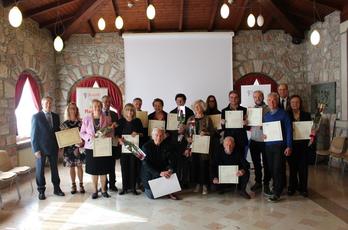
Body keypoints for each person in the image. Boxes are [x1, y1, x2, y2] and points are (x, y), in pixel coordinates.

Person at [31, 96, 65, 200]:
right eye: (46, 103)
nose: (48, 105)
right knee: (40, 170)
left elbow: (58, 132)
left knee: (55, 169)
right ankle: (41, 191)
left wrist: (60, 146)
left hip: (54, 147)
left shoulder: (56, 116)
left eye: (50, 103)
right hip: (40, 149)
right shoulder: (36, 117)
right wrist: (35, 149)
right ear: (42, 104)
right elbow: (33, 134)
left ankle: (57, 188)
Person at [80, 99, 113, 199]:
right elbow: (82, 133)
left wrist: (106, 137)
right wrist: (90, 138)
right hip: (91, 147)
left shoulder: (107, 118)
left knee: (103, 170)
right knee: (94, 170)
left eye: (99, 106)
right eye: (95, 106)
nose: (97, 108)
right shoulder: (86, 119)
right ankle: (95, 191)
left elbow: (111, 132)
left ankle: (103, 190)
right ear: (91, 108)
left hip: (103, 147)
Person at [263, 92, 292, 202]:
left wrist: (289, 146)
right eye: (270, 100)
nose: (272, 102)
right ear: (267, 102)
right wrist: (264, 135)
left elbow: (289, 131)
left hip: (280, 146)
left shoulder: (284, 114)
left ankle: (277, 192)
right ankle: (276, 187)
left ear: (277, 101)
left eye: (274, 100)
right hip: (268, 146)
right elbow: (265, 131)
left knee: (277, 168)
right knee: (271, 168)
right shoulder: (266, 116)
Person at [141, 128, 178, 200]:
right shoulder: (145, 147)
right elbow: (145, 164)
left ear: (164, 136)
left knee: (172, 170)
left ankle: (167, 190)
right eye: (156, 135)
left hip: (163, 171)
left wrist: (170, 169)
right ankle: (146, 187)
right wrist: (159, 173)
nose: (159, 137)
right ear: (152, 136)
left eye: (161, 135)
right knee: (152, 196)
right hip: (150, 174)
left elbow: (171, 160)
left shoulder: (167, 146)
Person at [116, 103, 144, 195]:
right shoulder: (120, 121)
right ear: (124, 111)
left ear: (134, 111)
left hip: (135, 148)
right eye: (127, 110)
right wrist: (119, 139)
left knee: (133, 168)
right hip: (124, 149)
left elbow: (143, 134)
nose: (130, 112)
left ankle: (133, 188)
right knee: (124, 168)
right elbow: (116, 135)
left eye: (131, 110)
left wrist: (137, 134)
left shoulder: (137, 121)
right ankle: (124, 188)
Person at [188, 100, 214, 195]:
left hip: (204, 146)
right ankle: (198, 184)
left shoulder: (207, 119)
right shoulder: (191, 119)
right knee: (195, 165)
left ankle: (205, 185)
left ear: (203, 107)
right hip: (193, 146)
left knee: (204, 165)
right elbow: (187, 132)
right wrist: (188, 138)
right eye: (195, 107)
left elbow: (212, 131)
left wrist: (206, 133)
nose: (197, 108)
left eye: (199, 106)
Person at [288, 95, 311, 197]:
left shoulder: (306, 115)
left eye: (297, 102)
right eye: (293, 102)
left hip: (303, 146)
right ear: (290, 104)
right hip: (291, 145)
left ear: (300, 103)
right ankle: (292, 187)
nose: (295, 104)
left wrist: (313, 132)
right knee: (292, 168)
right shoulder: (287, 114)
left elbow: (310, 129)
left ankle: (303, 188)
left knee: (303, 168)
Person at [248, 91, 271, 194]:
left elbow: (271, 123)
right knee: (256, 163)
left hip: (265, 140)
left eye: (259, 96)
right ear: (253, 98)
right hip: (253, 140)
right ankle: (258, 182)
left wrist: (264, 124)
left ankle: (266, 183)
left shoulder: (268, 109)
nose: (257, 98)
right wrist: (246, 122)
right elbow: (248, 125)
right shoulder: (251, 110)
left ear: (262, 97)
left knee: (266, 163)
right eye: (255, 97)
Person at [61, 102, 85, 194]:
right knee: (71, 167)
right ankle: (73, 185)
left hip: (78, 148)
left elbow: (84, 135)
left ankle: (81, 185)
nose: (73, 110)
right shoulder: (64, 124)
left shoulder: (81, 123)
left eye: (75, 108)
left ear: (77, 110)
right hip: (68, 149)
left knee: (79, 166)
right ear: (68, 110)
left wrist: (82, 143)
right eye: (71, 108)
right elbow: (62, 138)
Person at [221, 90, 248, 156]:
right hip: (229, 141)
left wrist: (246, 123)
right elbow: (223, 128)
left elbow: (247, 127)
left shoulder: (245, 110)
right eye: (231, 97)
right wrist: (222, 123)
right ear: (229, 98)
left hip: (241, 139)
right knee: (230, 160)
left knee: (241, 160)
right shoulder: (224, 111)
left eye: (236, 97)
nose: (233, 99)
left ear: (238, 99)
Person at [102, 95, 120, 192]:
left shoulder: (114, 114)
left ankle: (112, 184)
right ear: (102, 103)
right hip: (102, 143)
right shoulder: (98, 114)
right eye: (105, 102)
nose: (107, 104)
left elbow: (117, 128)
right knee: (103, 163)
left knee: (112, 164)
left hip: (112, 141)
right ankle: (104, 183)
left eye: (109, 102)